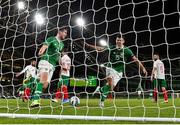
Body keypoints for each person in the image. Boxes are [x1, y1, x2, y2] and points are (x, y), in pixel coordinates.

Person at [86, 34, 147, 107]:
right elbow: (101, 49)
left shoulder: (127, 50)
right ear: (116, 40)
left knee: (110, 87)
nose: (118, 41)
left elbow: (136, 60)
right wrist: (89, 46)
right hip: (110, 68)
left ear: (123, 41)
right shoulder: (112, 48)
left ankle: (101, 89)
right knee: (110, 82)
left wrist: (143, 68)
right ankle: (101, 102)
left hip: (119, 71)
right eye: (117, 40)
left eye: (120, 40)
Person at [30, 27, 68, 107]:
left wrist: (61, 64)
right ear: (59, 32)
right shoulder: (51, 39)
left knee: (45, 85)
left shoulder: (62, 44)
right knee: (43, 80)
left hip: (52, 66)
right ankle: (35, 100)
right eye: (64, 32)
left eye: (66, 33)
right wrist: (41, 52)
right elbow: (44, 46)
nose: (65, 34)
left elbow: (58, 55)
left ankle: (34, 87)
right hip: (45, 61)